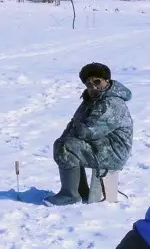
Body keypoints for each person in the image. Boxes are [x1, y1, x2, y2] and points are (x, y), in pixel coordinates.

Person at [44, 63, 133, 206]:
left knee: (67, 147)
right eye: (88, 83)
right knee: (63, 143)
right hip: (100, 145)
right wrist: (67, 135)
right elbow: (75, 123)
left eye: (97, 81)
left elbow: (89, 131)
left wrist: (73, 132)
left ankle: (70, 195)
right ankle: (79, 191)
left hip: (113, 151)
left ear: (107, 81)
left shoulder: (111, 103)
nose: (93, 86)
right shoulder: (91, 99)